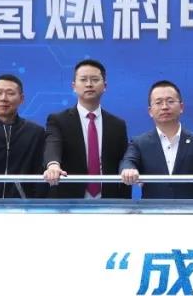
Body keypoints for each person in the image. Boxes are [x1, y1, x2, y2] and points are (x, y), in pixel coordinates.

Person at [43, 59, 131, 199]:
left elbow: (124, 162)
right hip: (70, 200)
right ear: (74, 86)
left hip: (108, 200)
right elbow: (53, 144)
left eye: (95, 79)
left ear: (105, 86)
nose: (89, 84)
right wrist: (53, 165)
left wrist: (124, 203)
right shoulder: (58, 120)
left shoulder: (117, 125)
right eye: (83, 80)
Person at [120, 80, 193, 199]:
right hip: (153, 210)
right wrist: (128, 169)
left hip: (188, 210)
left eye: (170, 101)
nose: (164, 107)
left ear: (181, 107)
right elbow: (128, 161)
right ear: (150, 111)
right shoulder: (139, 143)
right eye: (158, 102)